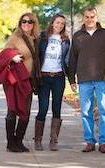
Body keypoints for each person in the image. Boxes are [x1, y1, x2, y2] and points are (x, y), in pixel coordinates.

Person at [68, 7, 105, 153]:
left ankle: (103, 142)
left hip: (103, 79)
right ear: (83, 18)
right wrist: (72, 79)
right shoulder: (77, 36)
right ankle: (89, 141)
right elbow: (73, 58)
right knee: (85, 112)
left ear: (96, 17)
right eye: (87, 17)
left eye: (92, 16)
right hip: (84, 80)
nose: (89, 19)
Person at [3, 12, 40, 152]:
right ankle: (10, 143)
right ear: (20, 24)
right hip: (15, 80)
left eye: (30, 22)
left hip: (28, 80)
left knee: (26, 112)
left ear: (34, 24)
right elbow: (4, 54)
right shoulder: (15, 37)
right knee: (12, 110)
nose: (26, 24)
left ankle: (18, 141)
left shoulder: (35, 39)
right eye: (23, 21)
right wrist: (12, 57)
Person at [34, 13, 70, 151]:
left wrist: (71, 79)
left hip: (58, 77)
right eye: (57, 22)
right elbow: (36, 56)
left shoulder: (66, 40)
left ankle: (53, 140)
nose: (59, 25)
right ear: (52, 23)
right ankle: (38, 140)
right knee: (43, 108)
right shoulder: (42, 37)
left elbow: (67, 61)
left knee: (57, 108)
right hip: (44, 78)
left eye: (62, 23)